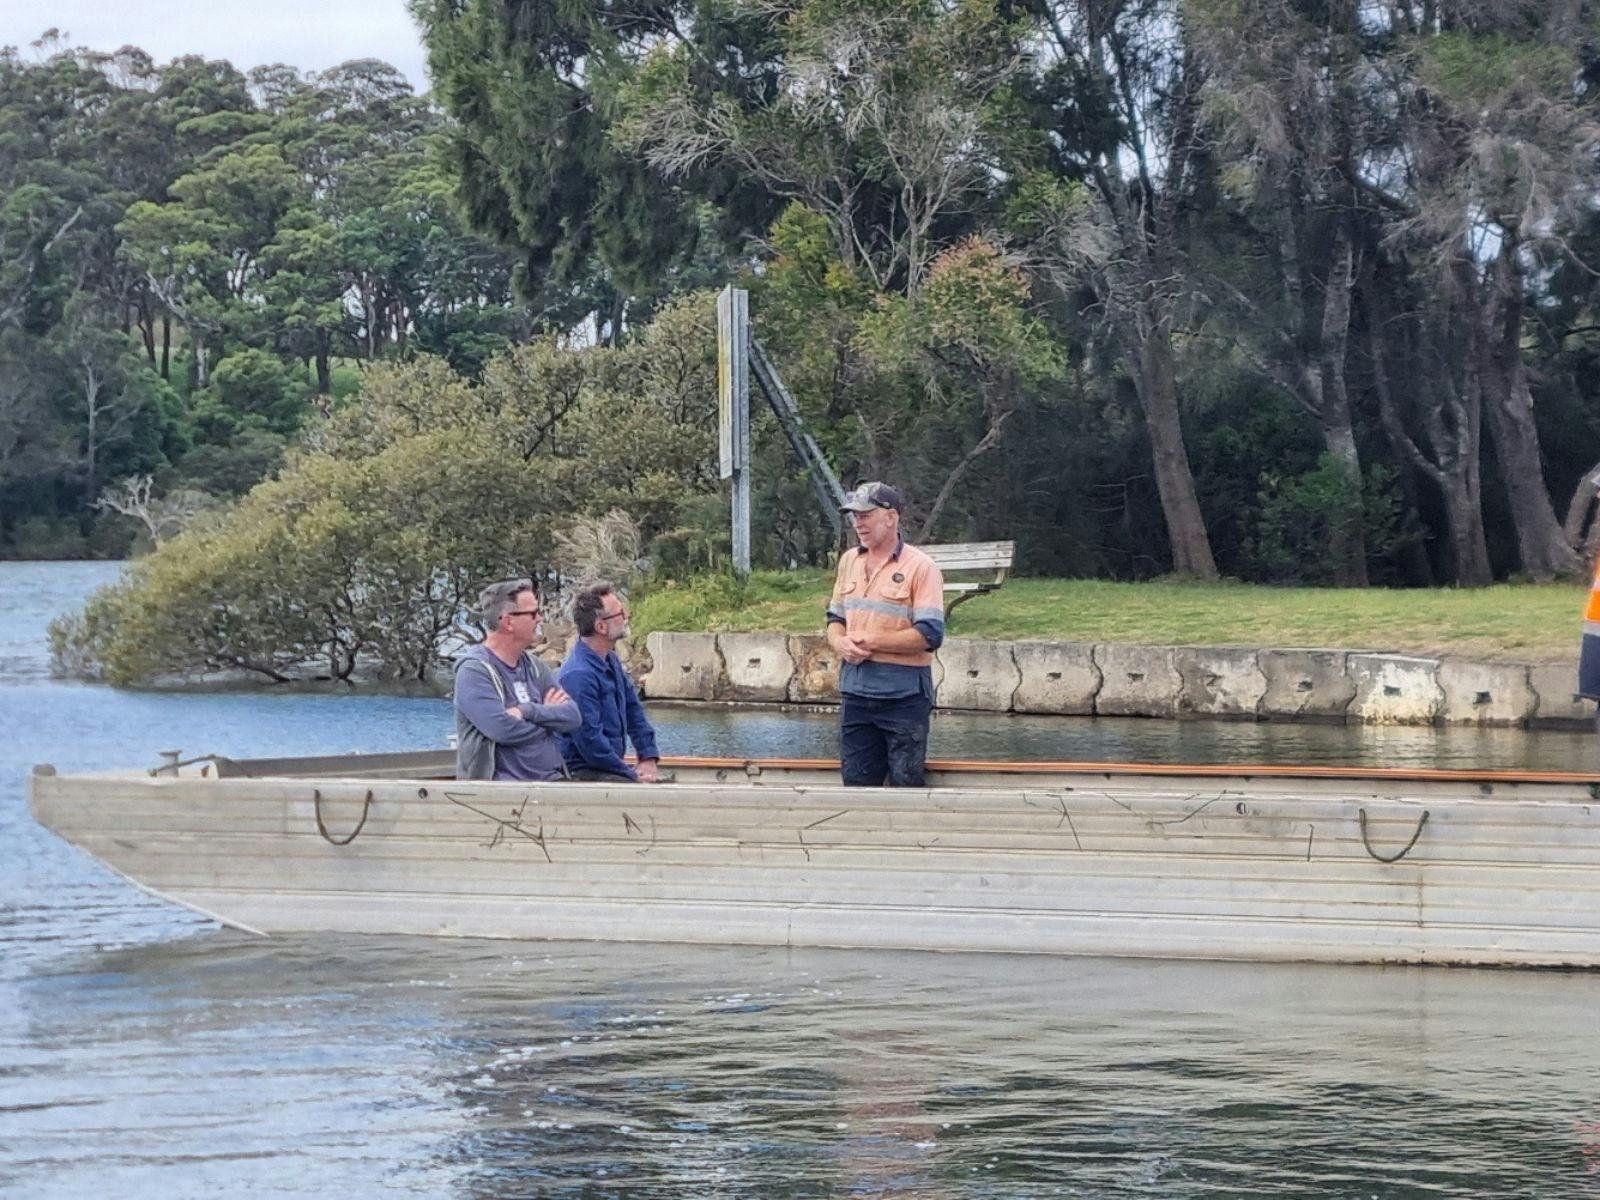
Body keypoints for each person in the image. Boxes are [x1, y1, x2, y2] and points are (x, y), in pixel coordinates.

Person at [826, 481, 945, 787]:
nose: (858, 523)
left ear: (890, 517)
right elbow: (835, 619)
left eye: (866, 515)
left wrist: (871, 642)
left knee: (906, 783)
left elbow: (930, 635)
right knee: (855, 785)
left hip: (903, 697)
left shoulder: (922, 567)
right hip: (855, 694)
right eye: (855, 516)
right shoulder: (848, 561)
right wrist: (840, 642)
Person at [454, 579, 582, 782]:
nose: (539, 619)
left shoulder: (535, 667)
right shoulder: (475, 670)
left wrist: (527, 711)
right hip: (503, 795)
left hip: (553, 783)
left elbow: (573, 717)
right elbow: (501, 729)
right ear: (508, 621)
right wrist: (549, 720)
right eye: (532, 613)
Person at [559, 582, 662, 783]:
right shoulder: (578, 675)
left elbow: (634, 710)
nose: (626, 617)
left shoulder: (611, 660)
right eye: (620, 614)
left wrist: (647, 755)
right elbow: (591, 745)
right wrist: (631, 775)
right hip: (583, 775)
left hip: (608, 769)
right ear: (601, 626)